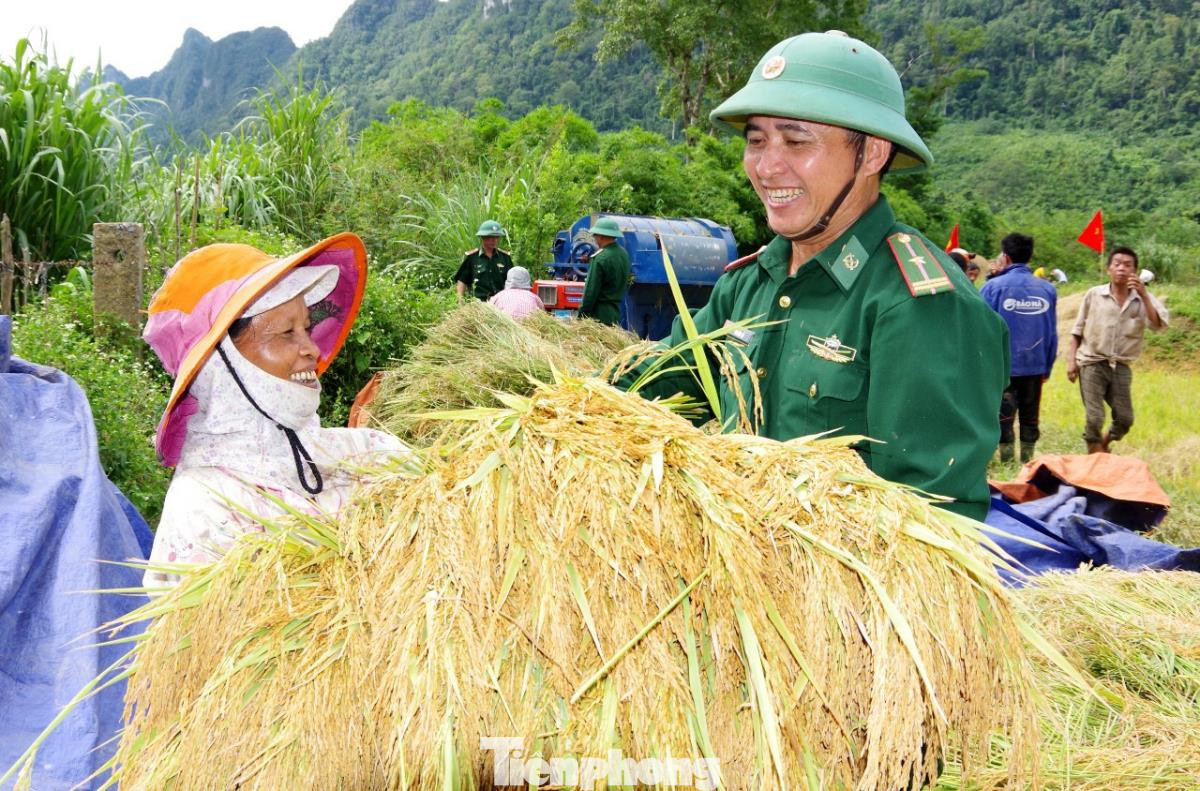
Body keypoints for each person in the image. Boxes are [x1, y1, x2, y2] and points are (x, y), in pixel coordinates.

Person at [621, 30, 1009, 522]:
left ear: (871, 154)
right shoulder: (747, 285)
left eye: (796, 141)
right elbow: (655, 386)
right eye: (756, 141)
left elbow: (928, 521)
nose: (766, 166)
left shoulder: (920, 305)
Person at [141, 233, 408, 588]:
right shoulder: (205, 510)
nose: (312, 348)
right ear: (220, 364)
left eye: (308, 328)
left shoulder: (365, 451)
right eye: (286, 333)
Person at [1066, 246, 1168, 453]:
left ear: (1135, 272)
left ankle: (1103, 447)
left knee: (1125, 418)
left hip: (1121, 365)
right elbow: (1077, 330)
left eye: (1127, 265)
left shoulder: (1142, 299)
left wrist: (1145, 295)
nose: (1122, 268)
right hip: (1092, 362)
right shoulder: (1094, 295)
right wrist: (1071, 361)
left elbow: (1158, 325)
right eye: (1117, 264)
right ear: (1108, 270)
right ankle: (1093, 455)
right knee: (1094, 417)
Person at [980, 233, 1058, 462]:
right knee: (1030, 416)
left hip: (1002, 367)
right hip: (1035, 365)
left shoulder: (992, 288)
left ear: (1005, 256)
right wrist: (1048, 366)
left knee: (1004, 415)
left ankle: (1006, 461)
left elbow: (983, 330)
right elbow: (1051, 332)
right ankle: (1027, 461)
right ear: (1030, 255)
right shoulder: (1047, 289)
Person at [577, 216, 631, 326]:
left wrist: (581, 316)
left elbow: (590, 293)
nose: (595, 239)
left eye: (595, 236)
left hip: (598, 318)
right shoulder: (623, 254)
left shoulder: (600, 258)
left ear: (601, 236)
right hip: (614, 315)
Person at [455, 219, 514, 302]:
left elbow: (512, 281)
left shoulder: (505, 258)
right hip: (478, 304)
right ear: (483, 237)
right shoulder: (472, 257)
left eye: (496, 237)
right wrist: (460, 301)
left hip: (501, 302)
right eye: (490, 237)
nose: (494, 240)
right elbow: (462, 281)